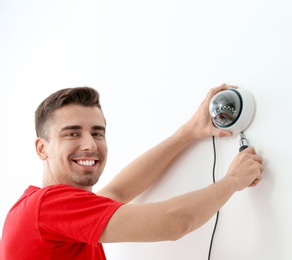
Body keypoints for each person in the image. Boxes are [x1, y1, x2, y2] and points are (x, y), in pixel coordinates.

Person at [0, 83, 264, 259]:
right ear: (41, 148)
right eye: (72, 133)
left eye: (97, 133)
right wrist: (234, 180)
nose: (90, 144)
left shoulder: (41, 211)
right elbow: (174, 222)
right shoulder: (47, 206)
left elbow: (119, 190)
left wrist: (188, 133)